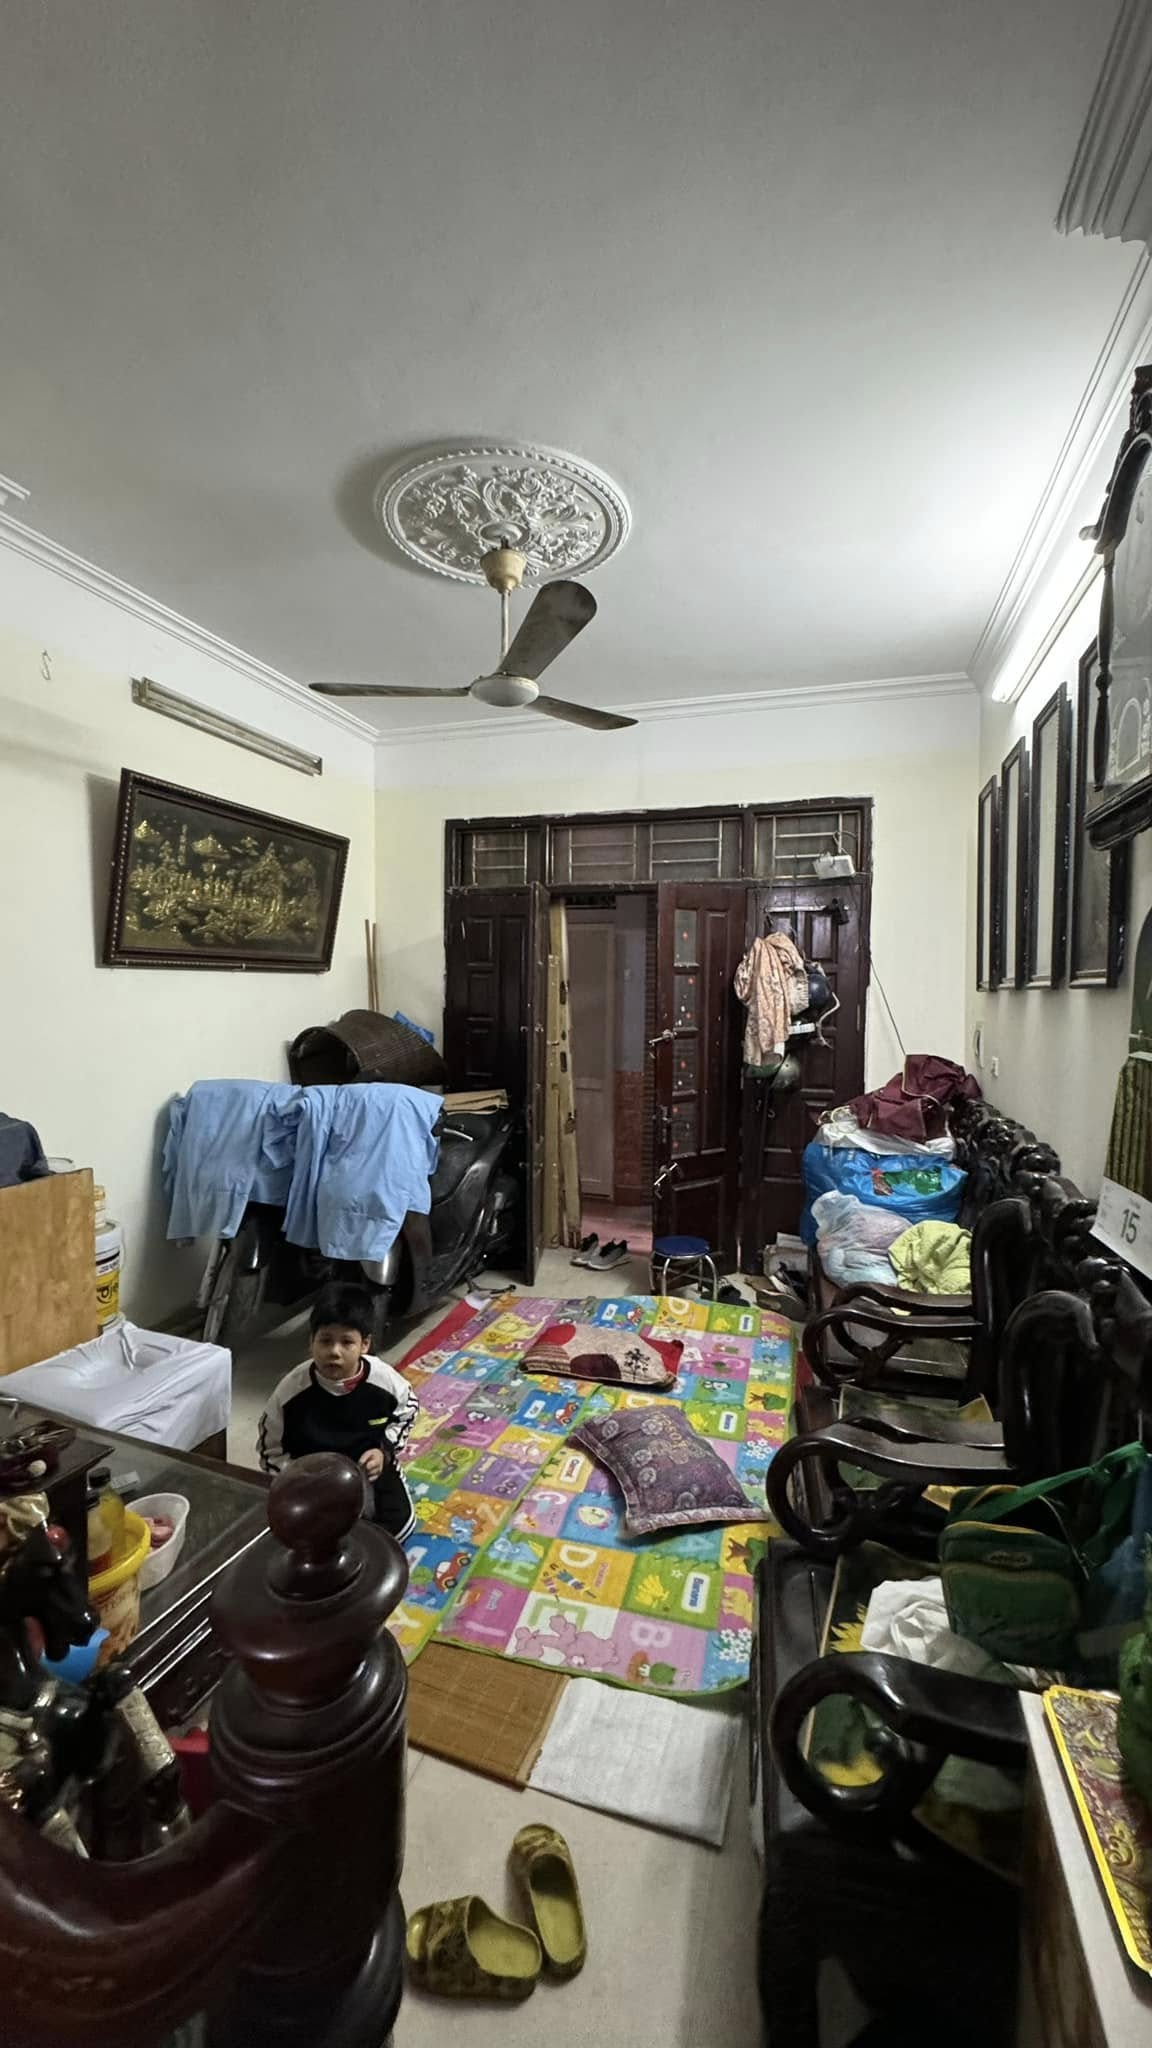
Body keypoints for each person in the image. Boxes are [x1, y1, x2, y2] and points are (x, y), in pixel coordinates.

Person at [257, 1281, 418, 1539]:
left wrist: (384, 1451)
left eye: (346, 1342)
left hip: (369, 1468)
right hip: (313, 1476)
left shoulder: (385, 1381)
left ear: (365, 1344)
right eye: (325, 1341)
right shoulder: (291, 1391)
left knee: (398, 1528)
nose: (334, 1352)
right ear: (311, 1341)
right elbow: (270, 1448)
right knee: (302, 1532)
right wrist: (297, 1477)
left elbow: (407, 1411)